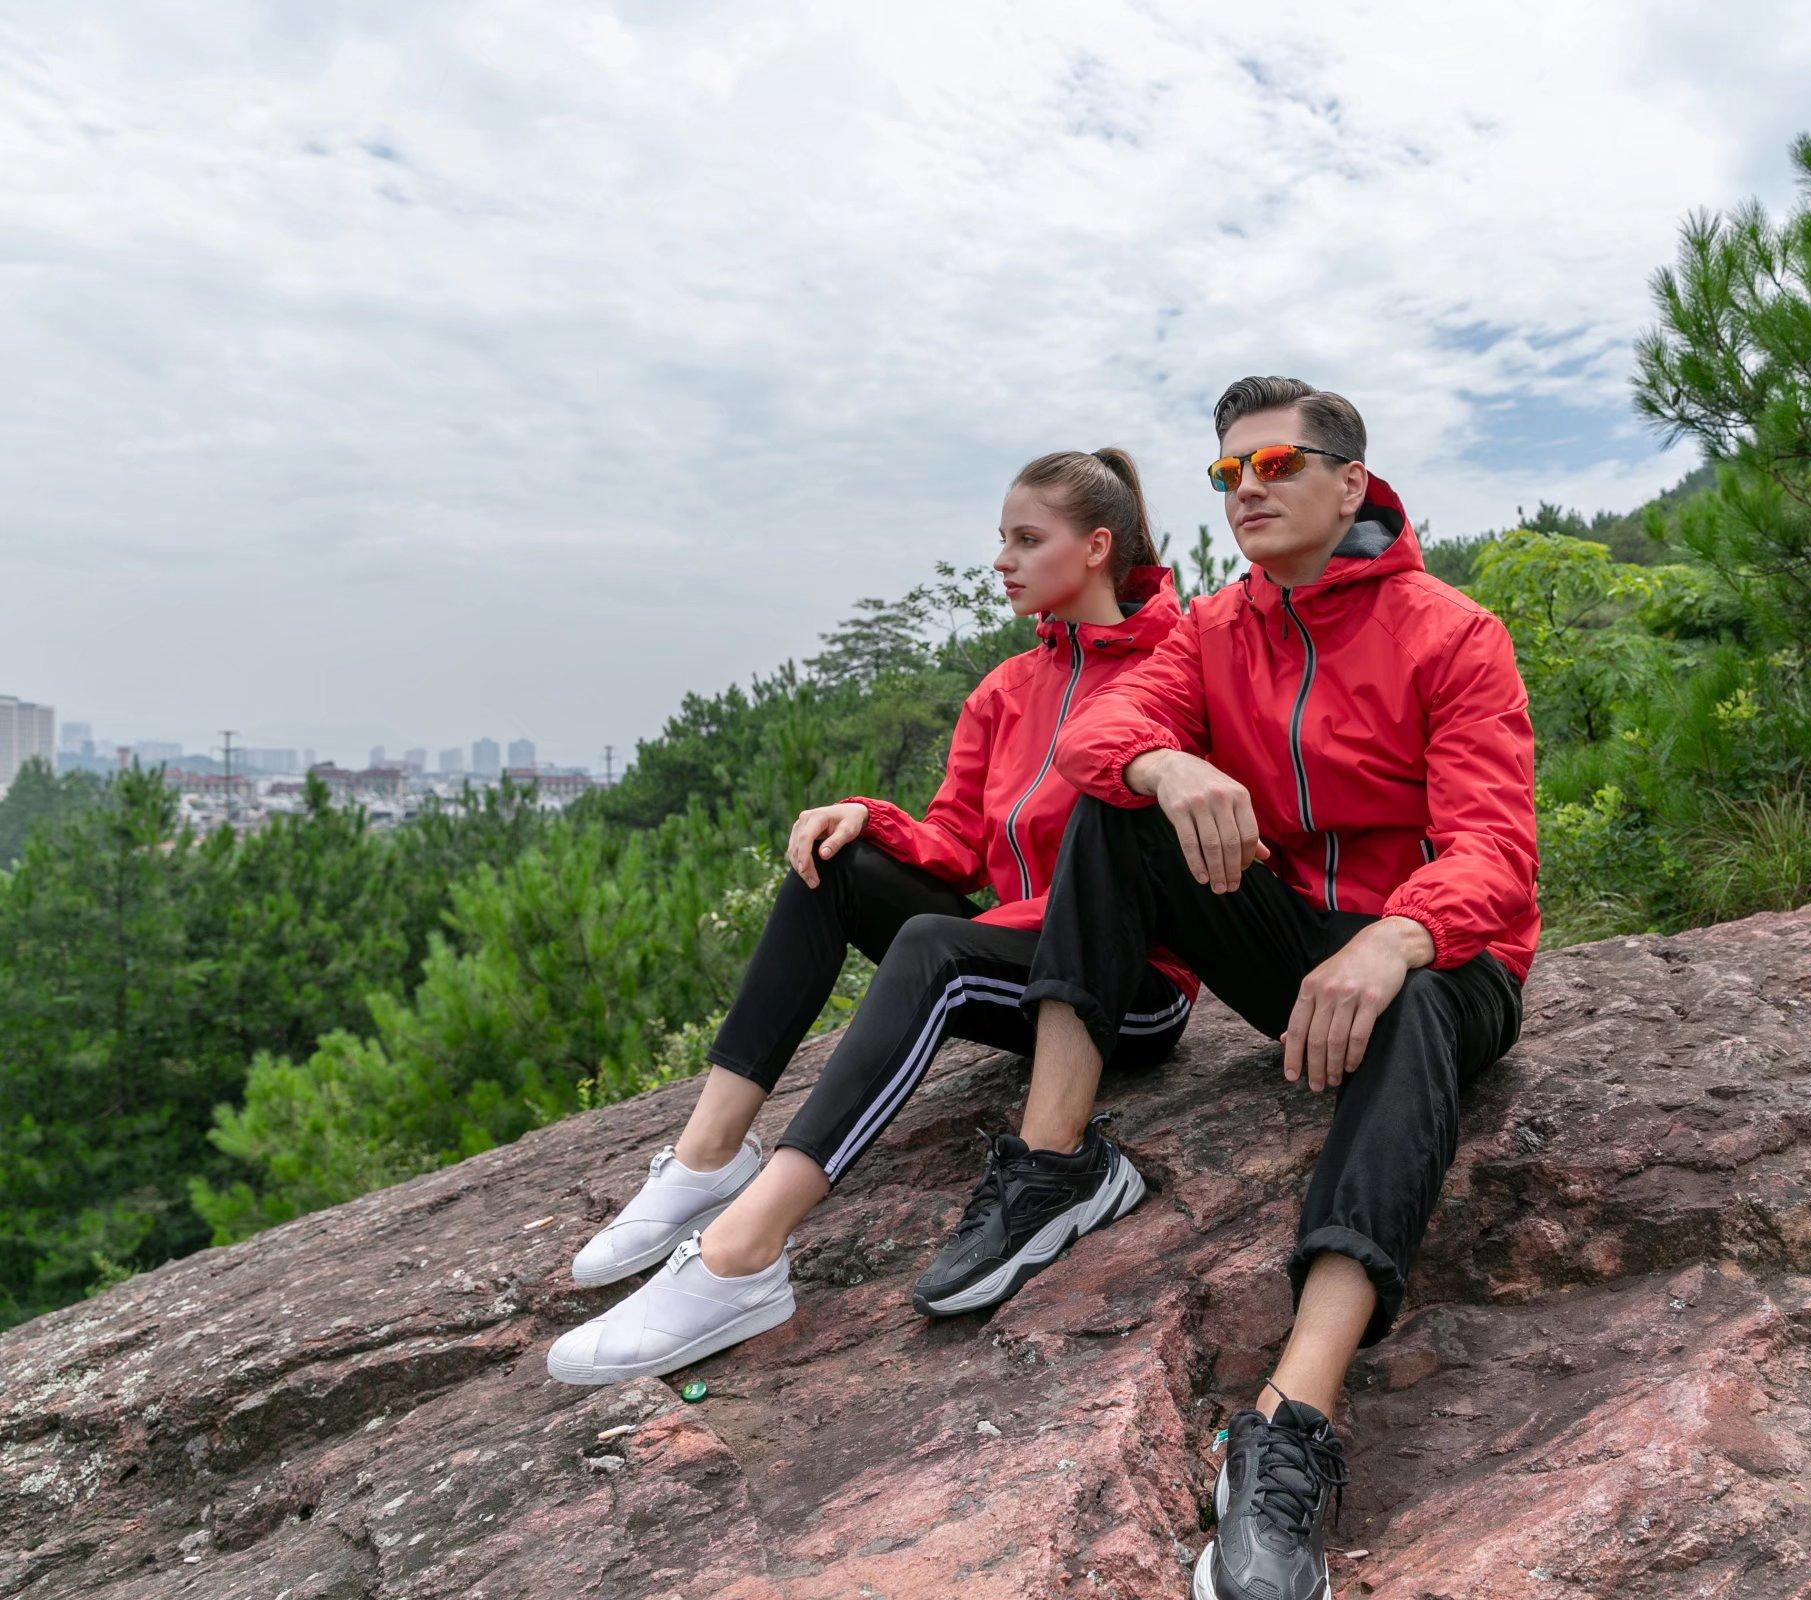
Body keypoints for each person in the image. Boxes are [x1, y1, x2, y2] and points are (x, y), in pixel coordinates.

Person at [1014, 378, 1538, 1600]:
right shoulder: (1212, 630)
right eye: (1227, 473)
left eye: (1276, 465)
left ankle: (1289, 1419)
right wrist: (1166, 763)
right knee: (1115, 809)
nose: (1246, 488)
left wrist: (1398, 935)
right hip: (1296, 950)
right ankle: (1051, 1164)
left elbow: (1496, 852)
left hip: (1444, 966)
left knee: (1411, 1002)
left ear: (1351, 484)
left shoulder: (1452, 632)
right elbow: (1092, 737)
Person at [547, 448, 1197, 1385]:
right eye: (1001, 540)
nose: (1002, 561)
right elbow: (958, 841)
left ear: (1096, 548)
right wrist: (867, 818)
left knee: (937, 948)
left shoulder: (1179, 666)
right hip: (1021, 958)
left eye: (1027, 540)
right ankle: (708, 1157)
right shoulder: (1006, 691)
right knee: (835, 865)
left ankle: (742, 1255)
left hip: (1127, 990)